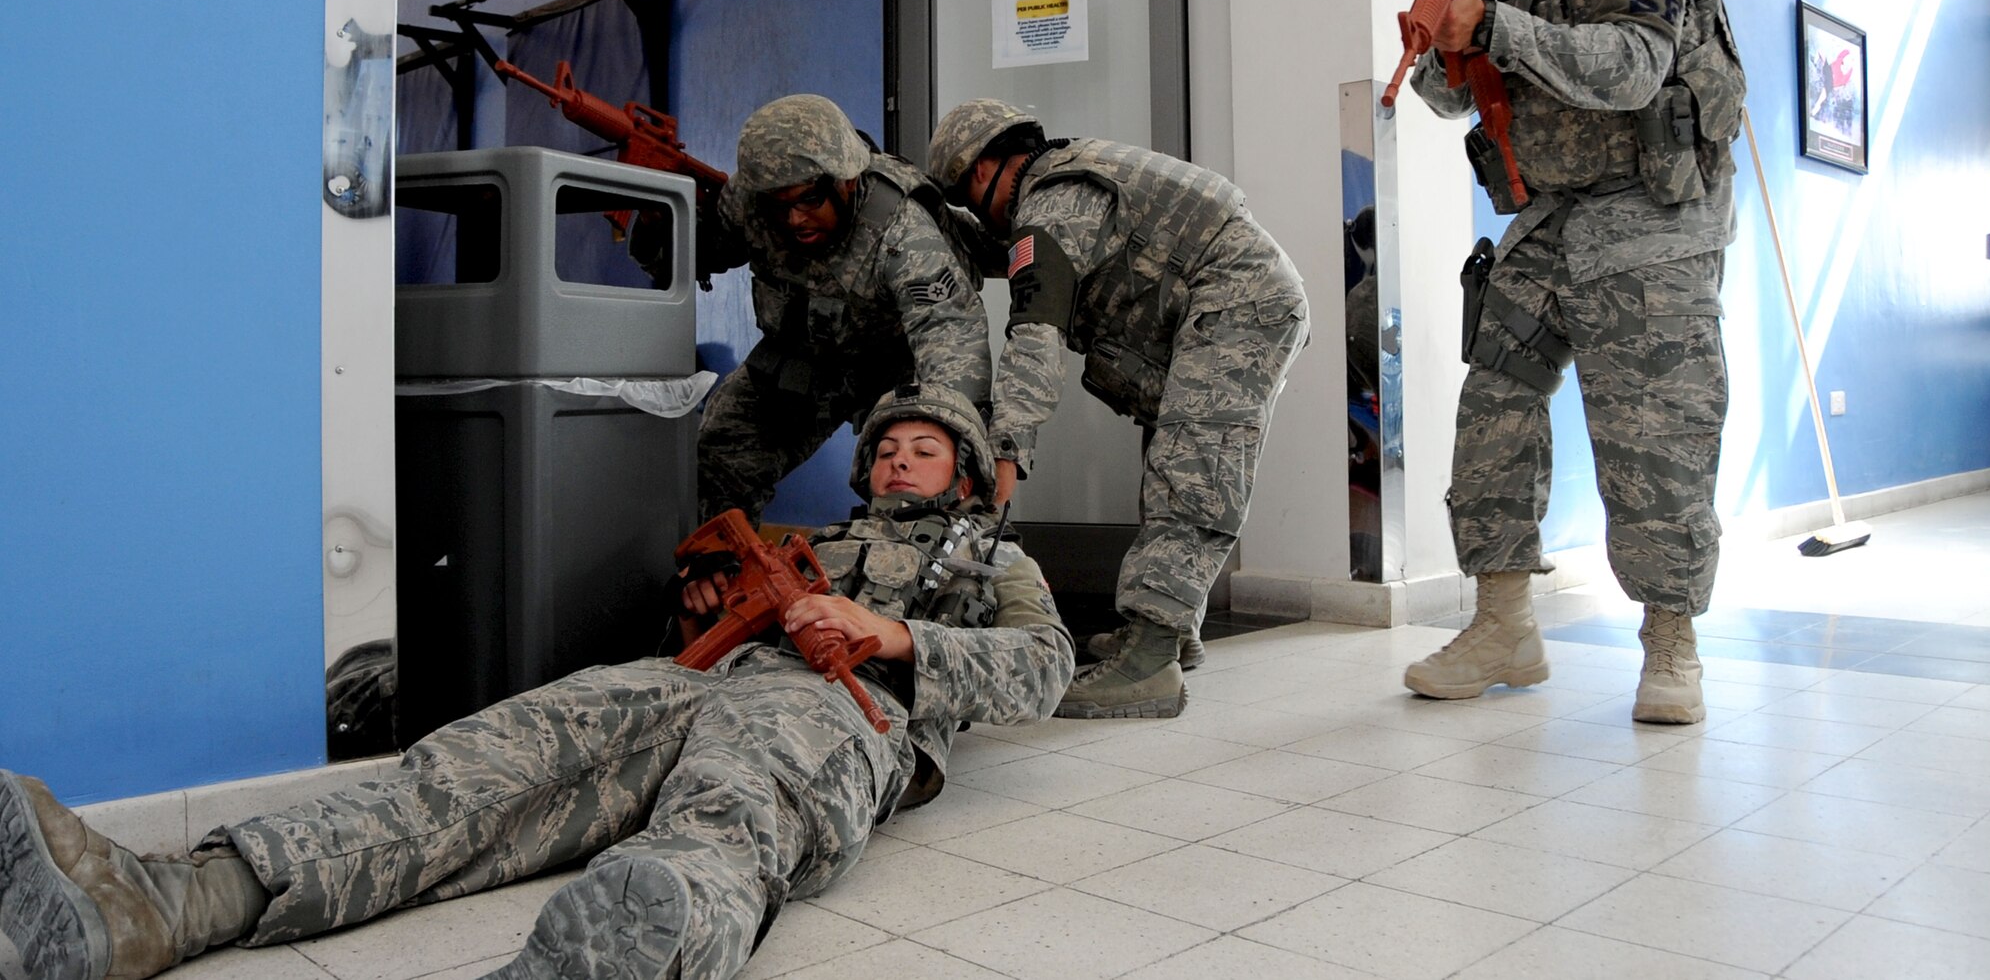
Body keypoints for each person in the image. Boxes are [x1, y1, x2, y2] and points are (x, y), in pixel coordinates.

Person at [0, 385, 1072, 980]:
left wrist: (881, 629)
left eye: (923, 449)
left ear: (964, 475)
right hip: (690, 679)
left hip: (840, 705)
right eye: (885, 448)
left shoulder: (989, 567)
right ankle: (165, 900)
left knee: (738, 804)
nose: (896, 462)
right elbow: (690, 626)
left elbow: (1044, 664)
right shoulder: (807, 535)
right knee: (485, 759)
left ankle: (635, 947)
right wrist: (700, 609)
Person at [1397, 0, 1743, 724]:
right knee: (1493, 400)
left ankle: (1672, 641)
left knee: (1653, 431)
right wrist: (1442, 38)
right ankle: (1505, 623)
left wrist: (1496, 25)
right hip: (1554, 211)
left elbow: (1635, 68)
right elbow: (1454, 97)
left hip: (1655, 202)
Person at [925, 103, 1309, 720]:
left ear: (984, 168)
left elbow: (1035, 332)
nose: (982, 217)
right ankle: (1167, 631)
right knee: (1174, 462)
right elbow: (1002, 257)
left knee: (1193, 466)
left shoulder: (1051, 204)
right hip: (1229, 301)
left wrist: (1006, 450)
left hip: (1238, 301)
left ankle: (1149, 663)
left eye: (968, 199)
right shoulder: (1065, 182)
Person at [642, 94, 992, 524]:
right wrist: (656, 220)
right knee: (717, 464)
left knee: (925, 481)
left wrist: (942, 435)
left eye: (808, 199)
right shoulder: (750, 200)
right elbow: (700, 254)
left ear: (845, 181)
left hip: (898, 369)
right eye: (779, 205)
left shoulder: (900, 229)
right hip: (804, 360)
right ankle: (724, 574)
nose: (794, 220)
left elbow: (951, 336)